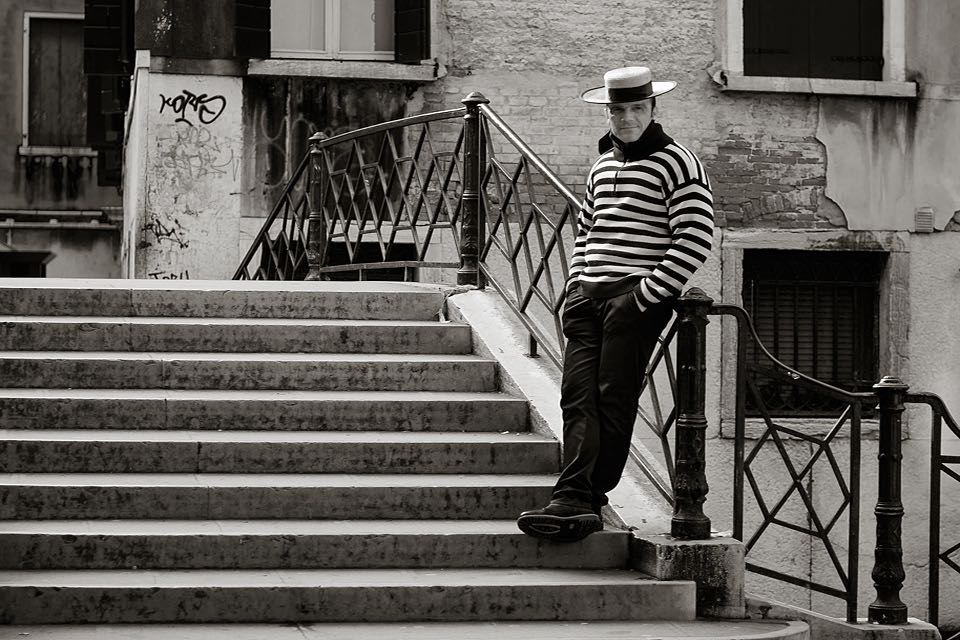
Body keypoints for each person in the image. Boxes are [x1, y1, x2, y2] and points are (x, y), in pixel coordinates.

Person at [517, 66, 715, 542]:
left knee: (612, 397)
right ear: (607, 112)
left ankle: (581, 496)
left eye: (636, 108)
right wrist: (574, 284)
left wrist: (644, 296)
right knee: (576, 395)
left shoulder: (678, 162)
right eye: (618, 109)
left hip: (634, 300)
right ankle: (574, 499)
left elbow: (696, 236)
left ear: (652, 109)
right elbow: (585, 231)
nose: (626, 118)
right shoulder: (601, 165)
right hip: (588, 297)